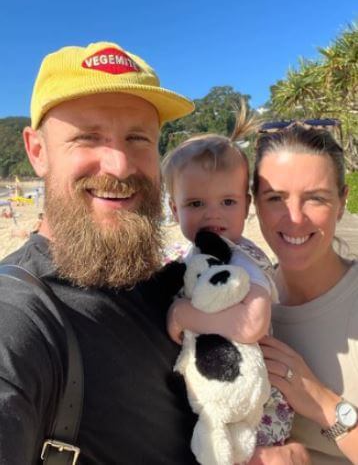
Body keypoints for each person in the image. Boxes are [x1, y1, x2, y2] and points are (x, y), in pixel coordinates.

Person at [0, 41, 202, 464]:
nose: (120, 165)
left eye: (138, 138)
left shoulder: (175, 285)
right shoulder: (19, 315)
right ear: (37, 151)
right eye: (88, 137)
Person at [161, 106, 294, 450]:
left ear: (247, 205)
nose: (212, 214)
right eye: (195, 203)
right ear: (174, 210)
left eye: (228, 201)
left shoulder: (243, 258)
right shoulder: (184, 256)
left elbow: (252, 323)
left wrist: (182, 314)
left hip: (254, 409)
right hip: (209, 394)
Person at [248, 121, 358, 464]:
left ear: (342, 202)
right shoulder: (241, 298)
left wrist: (323, 403)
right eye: (276, 198)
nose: (294, 218)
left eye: (316, 199)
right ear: (254, 202)